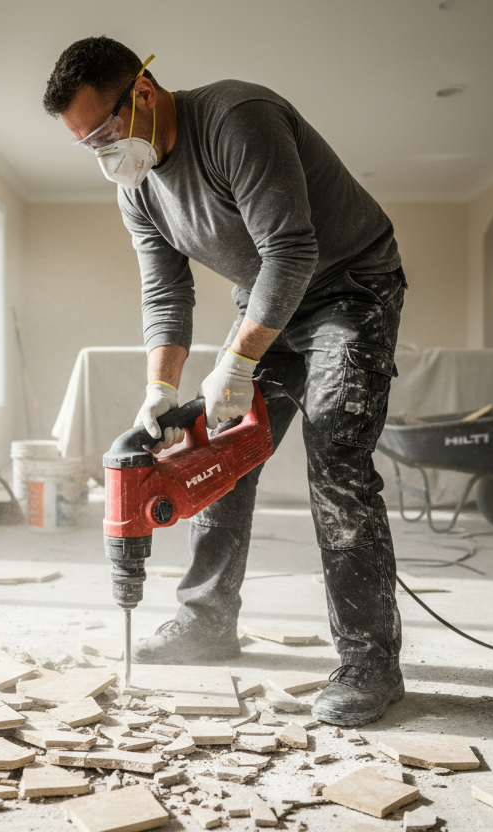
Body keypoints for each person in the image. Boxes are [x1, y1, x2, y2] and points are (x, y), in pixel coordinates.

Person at [43, 36, 407, 726]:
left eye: (104, 133)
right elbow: (165, 293)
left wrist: (237, 362)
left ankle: (369, 661)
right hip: (265, 302)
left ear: (143, 93)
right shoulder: (138, 184)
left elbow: (292, 248)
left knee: (336, 453)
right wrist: (161, 390)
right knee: (211, 451)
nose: (102, 154)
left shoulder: (238, 118)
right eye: (85, 144)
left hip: (350, 290)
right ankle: (207, 621)